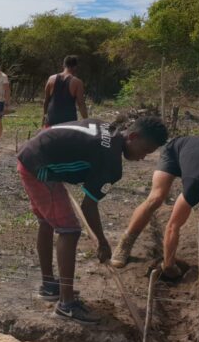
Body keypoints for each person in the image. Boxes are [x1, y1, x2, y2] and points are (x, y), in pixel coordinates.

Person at [17, 117, 168, 323]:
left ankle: (49, 285)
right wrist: (102, 241)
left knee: (47, 221)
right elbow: (88, 206)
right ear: (132, 137)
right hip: (40, 168)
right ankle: (66, 305)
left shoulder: (108, 127)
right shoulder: (111, 162)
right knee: (69, 230)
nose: (143, 158)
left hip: (33, 156)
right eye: (145, 151)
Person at [110, 136, 199, 277]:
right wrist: (168, 264)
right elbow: (172, 226)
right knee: (156, 198)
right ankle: (125, 243)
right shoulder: (195, 183)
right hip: (175, 150)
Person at [43, 55, 88, 127]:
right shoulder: (77, 82)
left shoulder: (51, 78)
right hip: (69, 122)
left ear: (64, 65)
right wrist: (86, 121)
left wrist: (44, 118)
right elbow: (81, 104)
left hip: (51, 120)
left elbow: (46, 101)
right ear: (75, 67)